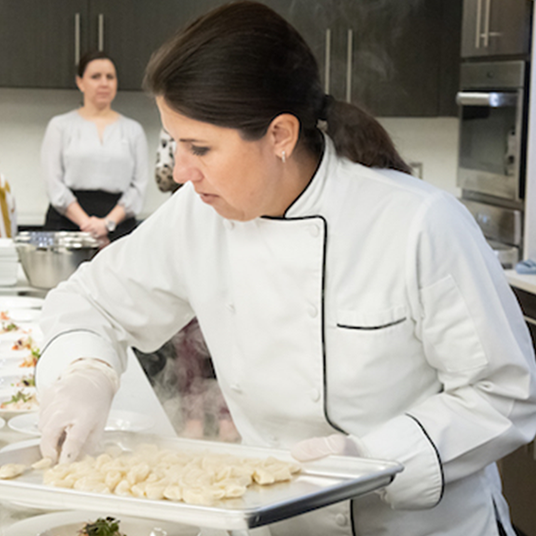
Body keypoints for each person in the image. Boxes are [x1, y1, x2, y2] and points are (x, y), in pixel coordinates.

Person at [35, 3, 536, 535]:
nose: (181, 171)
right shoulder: (197, 216)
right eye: (174, 144)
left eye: (199, 146)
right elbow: (88, 302)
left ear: (279, 135)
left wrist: (372, 458)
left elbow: (506, 393)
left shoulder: (418, 223)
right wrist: (85, 373)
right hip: (280, 523)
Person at [41, 50, 148, 245]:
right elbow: (53, 183)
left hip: (119, 226)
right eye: (95, 77)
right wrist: (88, 225)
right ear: (80, 82)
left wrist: (107, 224)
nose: (104, 83)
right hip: (67, 224)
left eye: (110, 77)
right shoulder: (60, 126)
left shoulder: (133, 130)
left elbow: (138, 186)